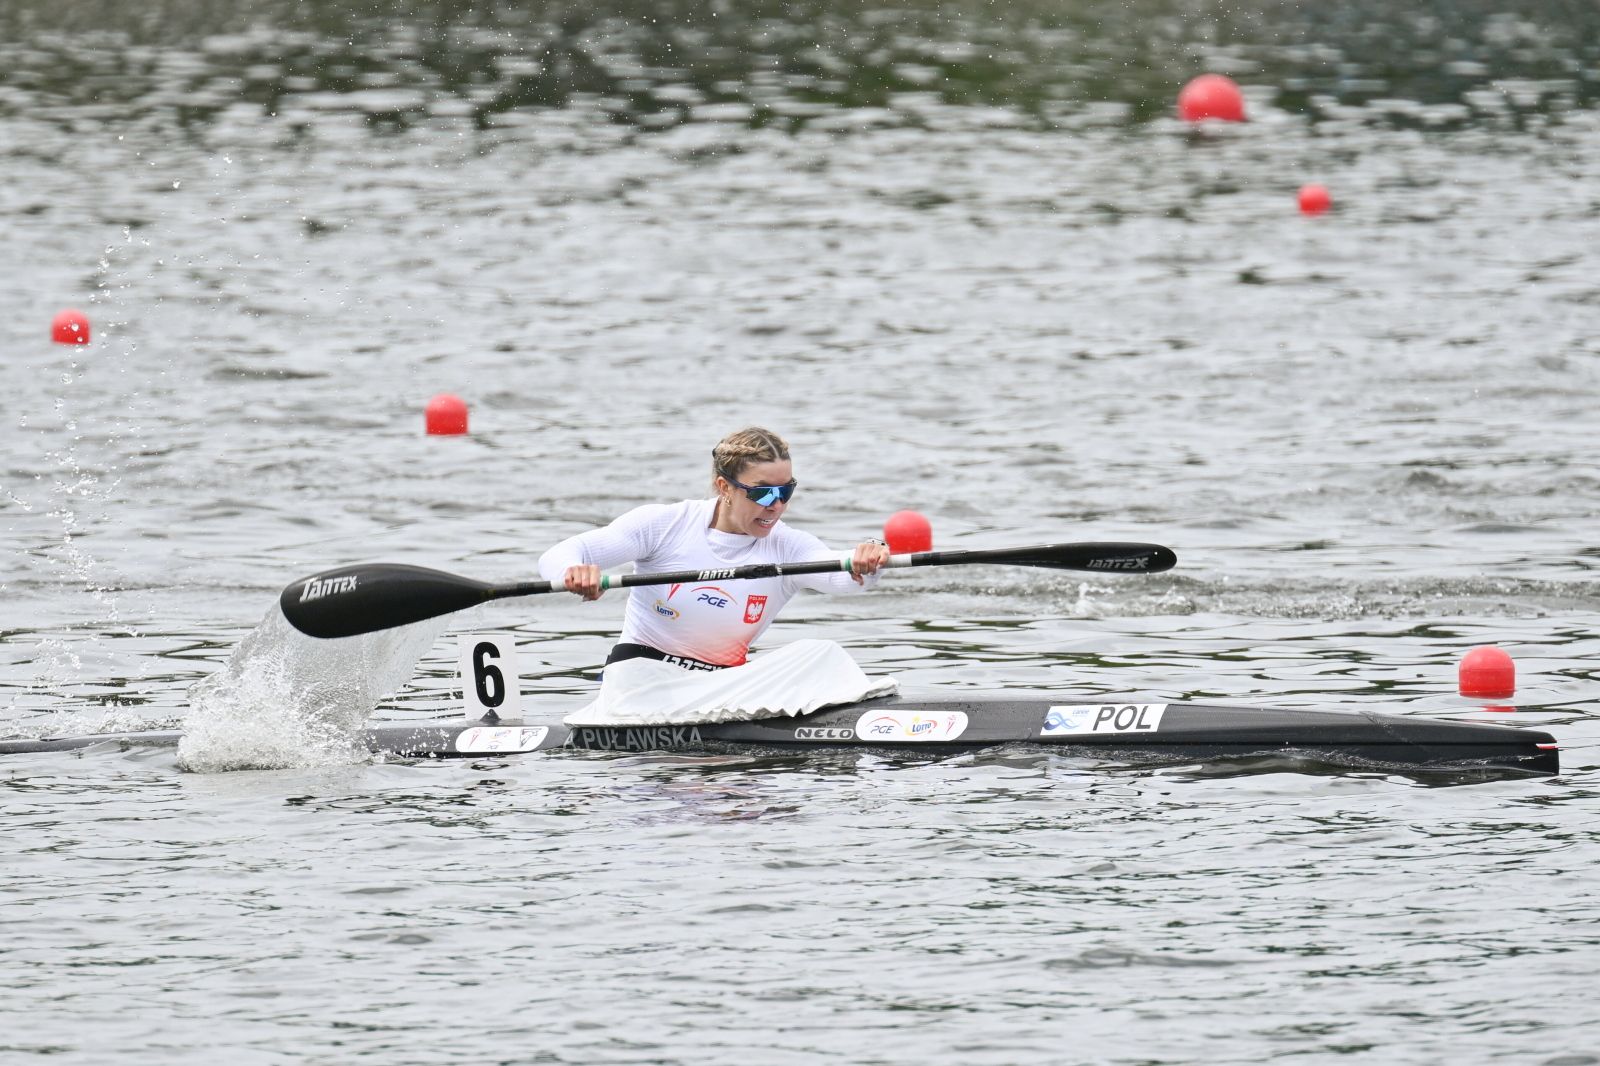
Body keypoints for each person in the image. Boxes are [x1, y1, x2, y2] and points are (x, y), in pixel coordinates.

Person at [538, 427, 895, 724]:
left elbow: (842, 575)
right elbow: (560, 554)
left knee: (822, 652)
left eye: (786, 491)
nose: (776, 505)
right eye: (762, 492)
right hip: (645, 682)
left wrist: (866, 557)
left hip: (723, 685)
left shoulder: (787, 545)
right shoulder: (664, 525)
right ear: (724, 488)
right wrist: (574, 572)